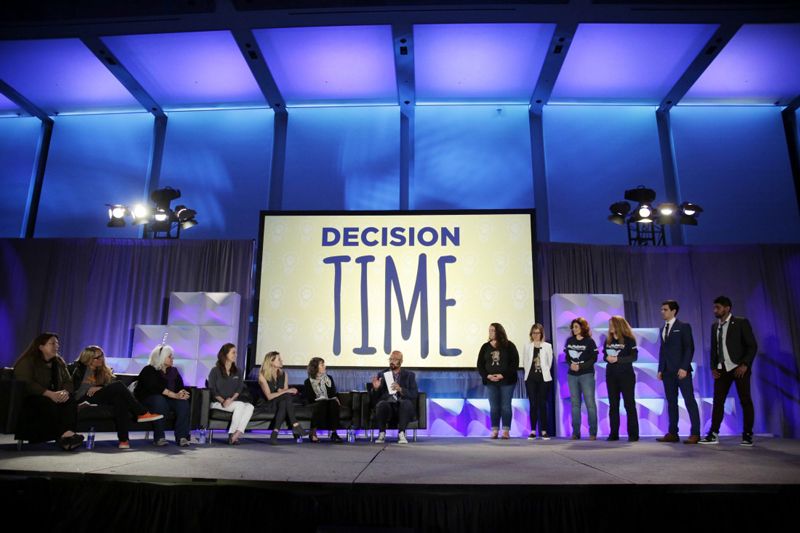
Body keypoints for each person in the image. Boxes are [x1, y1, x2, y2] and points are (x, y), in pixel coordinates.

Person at [72, 345, 163, 449]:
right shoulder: (79, 369)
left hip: (100, 398)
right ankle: (142, 412)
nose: (101, 359)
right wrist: (95, 388)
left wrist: (100, 388)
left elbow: (111, 386)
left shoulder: (104, 370)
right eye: (97, 358)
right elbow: (78, 390)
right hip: (84, 398)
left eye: (101, 356)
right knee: (119, 385)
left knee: (120, 399)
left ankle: (123, 440)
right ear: (88, 359)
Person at [700, 296, 758, 446]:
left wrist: (745, 364)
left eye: (718, 307)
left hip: (739, 368)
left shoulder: (740, 322)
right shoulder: (715, 326)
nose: (715, 310)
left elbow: (752, 346)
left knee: (745, 400)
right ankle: (713, 434)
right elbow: (714, 349)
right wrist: (713, 367)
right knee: (718, 402)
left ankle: (747, 435)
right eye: (714, 307)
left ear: (727, 308)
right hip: (722, 369)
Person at [13, 333, 84, 450]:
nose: (56, 346)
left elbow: (68, 381)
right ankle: (67, 437)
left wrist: (65, 392)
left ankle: (67, 437)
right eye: (52, 343)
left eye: (57, 343)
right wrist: (49, 394)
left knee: (70, 401)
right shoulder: (28, 361)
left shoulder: (59, 362)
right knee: (47, 403)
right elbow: (26, 383)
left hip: (56, 395)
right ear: (41, 347)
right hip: (34, 397)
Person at [656, 300, 701, 444]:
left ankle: (695, 433)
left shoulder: (683, 327)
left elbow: (689, 348)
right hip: (667, 372)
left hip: (682, 371)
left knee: (689, 401)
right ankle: (673, 433)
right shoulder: (662, 328)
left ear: (673, 311)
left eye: (665, 309)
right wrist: (660, 369)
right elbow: (663, 351)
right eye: (662, 309)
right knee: (671, 402)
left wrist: (684, 367)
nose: (662, 312)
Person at [134, 344, 192, 447]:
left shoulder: (173, 371)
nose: (172, 359)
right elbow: (155, 388)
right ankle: (159, 437)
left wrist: (182, 393)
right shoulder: (149, 370)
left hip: (169, 399)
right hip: (150, 400)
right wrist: (174, 395)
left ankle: (182, 436)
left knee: (182, 403)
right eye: (170, 356)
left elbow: (179, 386)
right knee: (159, 400)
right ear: (161, 357)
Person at [477, 323, 520, 439]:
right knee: (494, 406)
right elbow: (480, 364)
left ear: (499, 332)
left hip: (507, 381)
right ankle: (495, 430)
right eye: (489, 330)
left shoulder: (509, 346)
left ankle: (506, 430)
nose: (490, 332)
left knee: (506, 406)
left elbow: (514, 363)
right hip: (491, 381)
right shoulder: (485, 347)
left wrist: (503, 375)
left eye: (492, 330)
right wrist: (487, 376)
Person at [207, 343, 254, 445]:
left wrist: (230, 400)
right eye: (233, 352)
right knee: (241, 405)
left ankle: (236, 434)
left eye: (236, 353)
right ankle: (232, 435)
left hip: (232, 402)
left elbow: (239, 389)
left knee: (250, 406)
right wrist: (223, 401)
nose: (236, 355)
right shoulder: (214, 371)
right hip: (217, 402)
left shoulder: (238, 371)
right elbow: (212, 390)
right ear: (225, 354)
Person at [603, 316, 639, 442]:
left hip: (626, 376)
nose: (610, 327)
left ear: (618, 325)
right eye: (609, 325)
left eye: (612, 324)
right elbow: (604, 355)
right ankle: (614, 433)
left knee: (629, 404)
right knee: (613, 405)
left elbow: (634, 357)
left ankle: (633, 434)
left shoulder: (629, 340)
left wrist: (618, 359)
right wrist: (607, 358)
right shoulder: (608, 340)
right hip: (611, 375)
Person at [370, 350, 418, 444]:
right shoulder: (382, 374)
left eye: (395, 359)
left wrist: (400, 389)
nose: (392, 361)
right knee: (381, 404)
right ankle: (382, 433)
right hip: (388, 406)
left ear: (401, 361)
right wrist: (376, 389)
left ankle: (401, 433)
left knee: (406, 403)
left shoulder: (409, 375)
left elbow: (414, 394)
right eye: (391, 359)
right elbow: (376, 398)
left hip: (402, 406)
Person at [257, 351, 305, 445]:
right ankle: (295, 424)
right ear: (271, 361)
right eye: (279, 359)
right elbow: (269, 396)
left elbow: (284, 394)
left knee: (284, 401)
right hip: (269, 403)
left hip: (281, 402)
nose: (281, 360)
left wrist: (284, 391)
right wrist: (286, 391)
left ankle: (275, 433)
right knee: (285, 397)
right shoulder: (262, 376)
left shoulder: (284, 374)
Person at [564, 318, 599, 440]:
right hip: (572, 375)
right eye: (573, 327)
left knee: (590, 403)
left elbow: (594, 358)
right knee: (575, 404)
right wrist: (571, 365)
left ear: (582, 327)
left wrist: (581, 366)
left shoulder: (590, 342)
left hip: (586, 375)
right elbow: (567, 357)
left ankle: (593, 432)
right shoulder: (569, 341)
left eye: (576, 327)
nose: (574, 329)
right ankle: (576, 432)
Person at [523, 323, 553, 440]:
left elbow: (549, 363)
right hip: (530, 379)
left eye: (538, 333)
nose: (536, 335)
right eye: (534, 333)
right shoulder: (527, 346)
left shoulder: (547, 346)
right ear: (531, 334)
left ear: (541, 334)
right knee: (533, 404)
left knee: (542, 404)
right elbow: (525, 362)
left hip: (543, 379)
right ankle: (533, 430)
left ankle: (544, 431)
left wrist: (542, 371)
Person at [303, 357, 343, 443]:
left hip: (328, 401)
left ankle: (334, 433)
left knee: (333, 402)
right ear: (315, 367)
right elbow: (309, 397)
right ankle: (313, 432)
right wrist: (321, 398)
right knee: (322, 403)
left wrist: (334, 398)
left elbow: (332, 394)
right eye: (322, 365)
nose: (325, 366)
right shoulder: (308, 381)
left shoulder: (329, 378)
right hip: (316, 402)